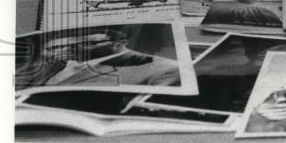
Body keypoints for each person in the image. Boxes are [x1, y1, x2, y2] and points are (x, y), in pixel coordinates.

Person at [15, 27, 180, 89]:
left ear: (119, 43)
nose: (78, 48)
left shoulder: (167, 68)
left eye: (89, 43)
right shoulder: (67, 67)